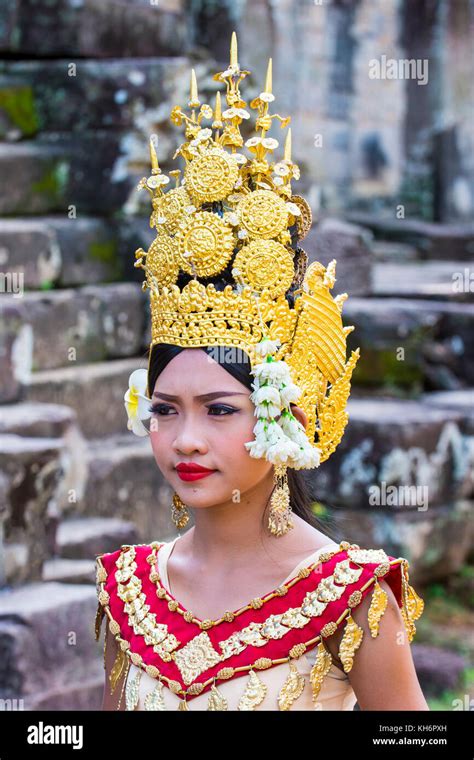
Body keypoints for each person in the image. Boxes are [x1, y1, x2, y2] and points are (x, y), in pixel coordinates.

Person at [94, 31, 428, 711]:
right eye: (164, 409)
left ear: (285, 413)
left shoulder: (353, 599)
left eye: (220, 409)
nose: (185, 439)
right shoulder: (128, 590)